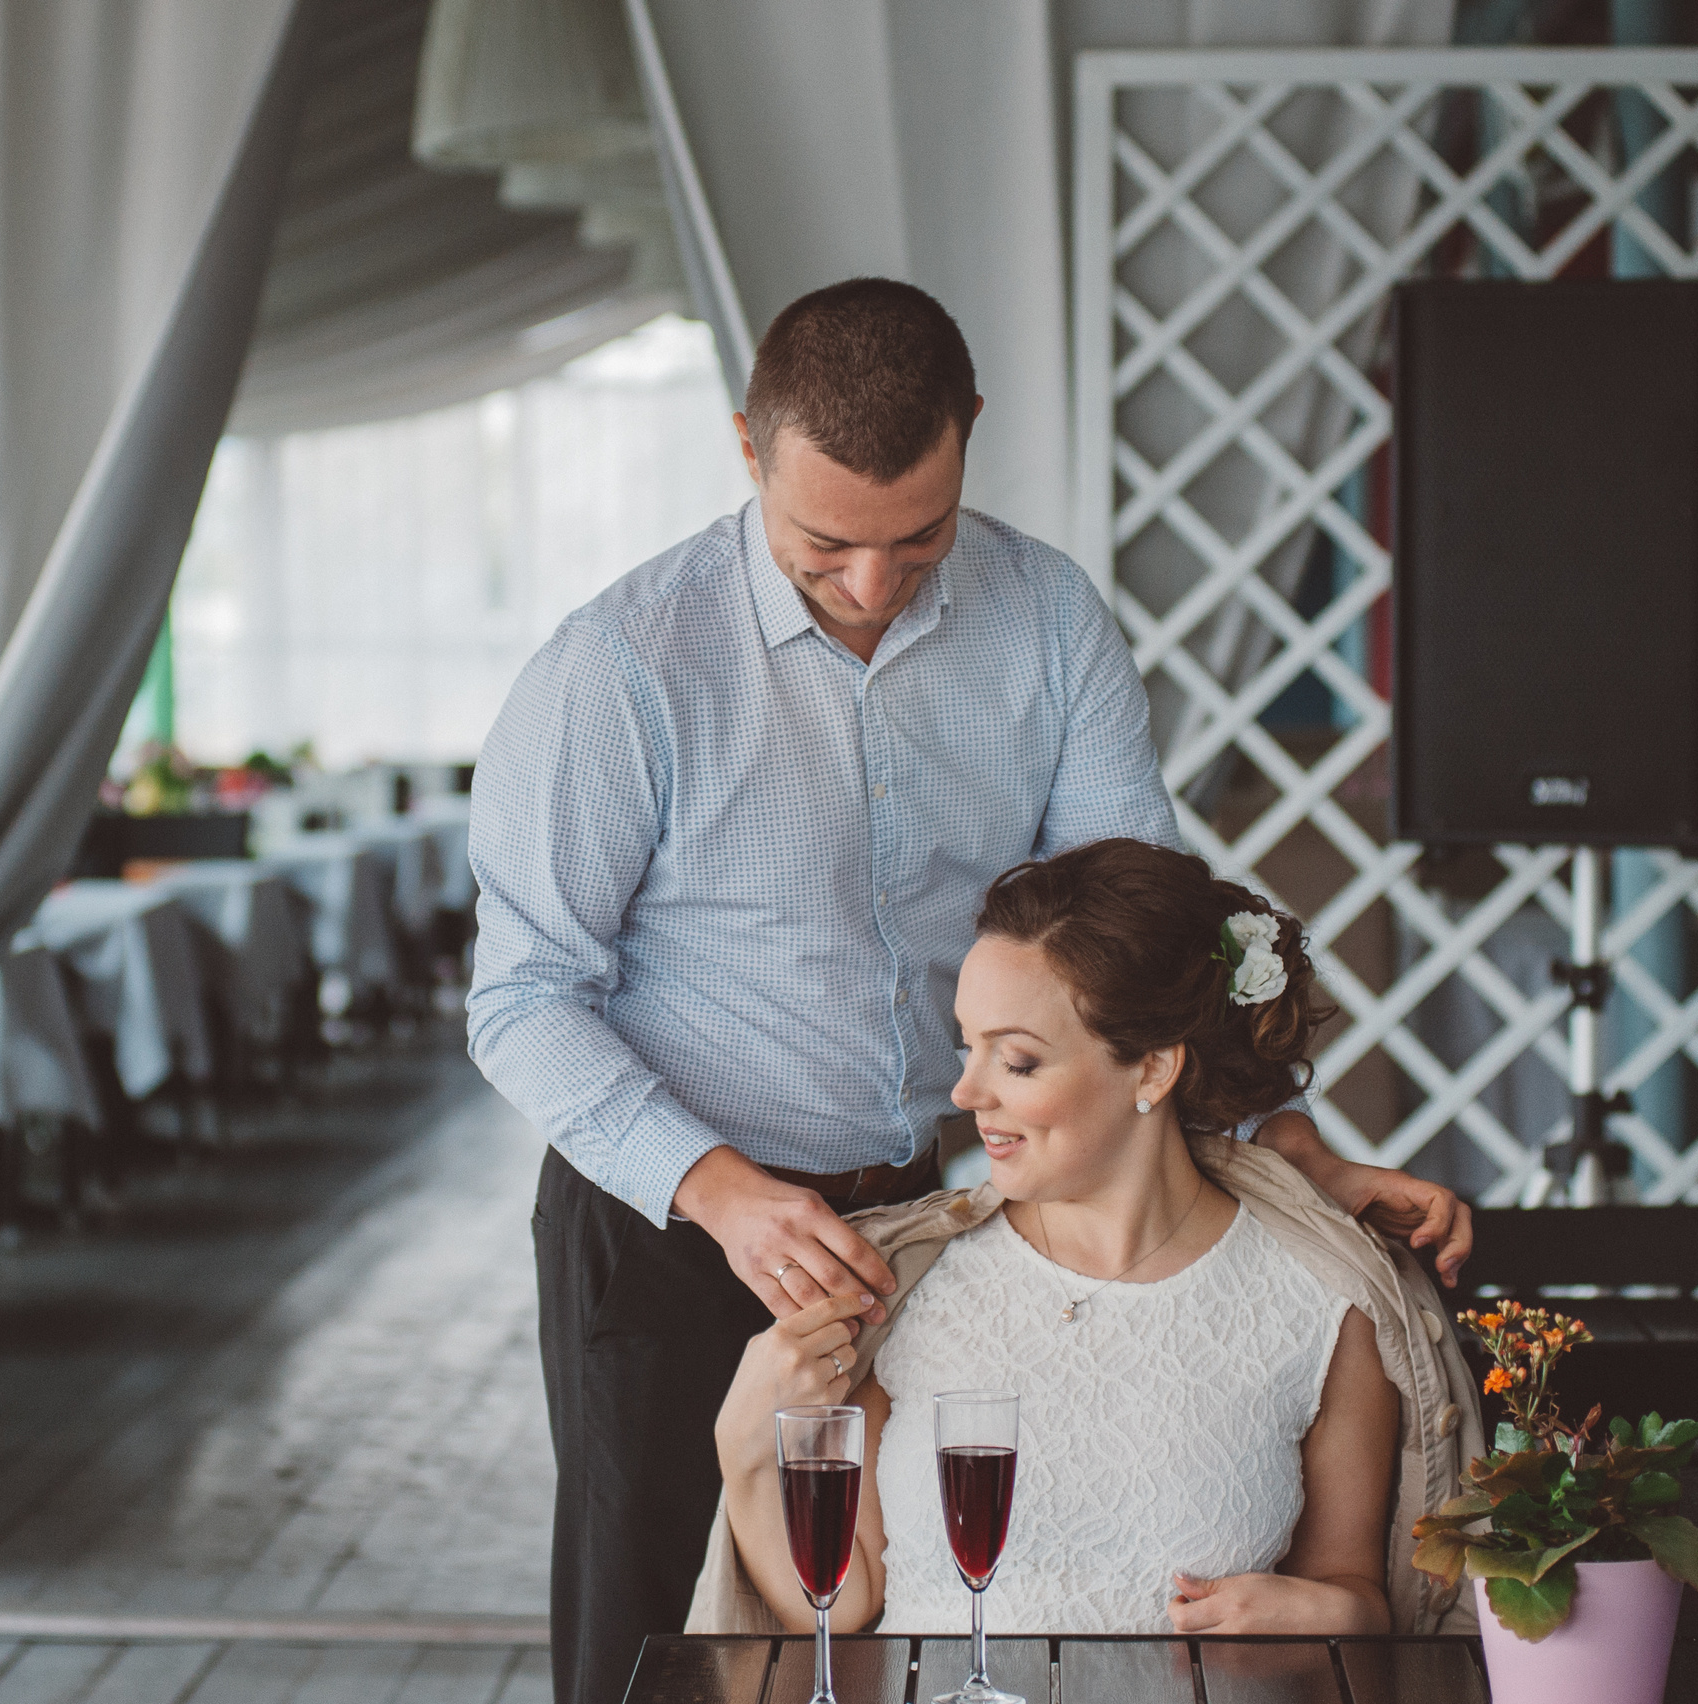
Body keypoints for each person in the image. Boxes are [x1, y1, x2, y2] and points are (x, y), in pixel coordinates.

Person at [465, 278, 1473, 1704]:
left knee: (875, 1628)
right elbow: (519, 998)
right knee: (664, 1655)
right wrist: (726, 1194)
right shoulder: (619, 669)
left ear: (970, 434)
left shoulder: (1047, 617)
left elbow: (1134, 935)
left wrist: (1281, 1146)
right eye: (825, 545)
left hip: (920, 1215)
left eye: (918, 537)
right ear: (748, 446)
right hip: (668, 1224)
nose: (874, 584)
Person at [699, 839, 1481, 1639]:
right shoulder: (901, 1281)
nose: (965, 1092)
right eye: (968, 1047)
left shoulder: (1325, 1299)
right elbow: (842, 1600)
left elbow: (1356, 1590)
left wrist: (1323, 1611)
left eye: (1018, 1060)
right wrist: (745, 1446)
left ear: (1152, 1071)